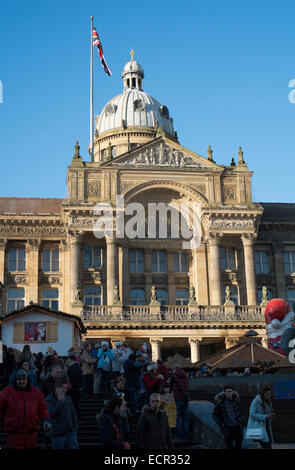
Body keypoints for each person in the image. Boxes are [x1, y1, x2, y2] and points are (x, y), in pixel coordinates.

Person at [0, 368, 51, 449]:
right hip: (13, 435)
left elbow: (43, 408)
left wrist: (46, 419)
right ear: (15, 379)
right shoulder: (7, 392)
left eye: (24, 379)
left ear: (27, 379)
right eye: (19, 379)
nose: (21, 381)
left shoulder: (36, 393)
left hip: (31, 434)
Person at [45, 379, 78, 449]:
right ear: (57, 388)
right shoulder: (49, 400)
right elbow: (52, 414)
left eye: (66, 388)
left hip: (70, 432)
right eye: (63, 388)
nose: (65, 390)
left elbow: (73, 414)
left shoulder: (68, 398)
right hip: (58, 434)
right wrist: (60, 401)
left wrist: (75, 427)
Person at [213, 385, 245, 449]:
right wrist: (221, 423)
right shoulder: (221, 402)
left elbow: (241, 412)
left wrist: (242, 421)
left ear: (232, 392)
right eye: (227, 392)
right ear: (224, 392)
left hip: (237, 426)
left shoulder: (236, 400)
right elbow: (215, 414)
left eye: (230, 391)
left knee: (239, 444)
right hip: (227, 427)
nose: (229, 393)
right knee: (229, 445)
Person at [247, 385, 275, 449]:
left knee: (268, 445)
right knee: (267, 446)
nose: (269, 395)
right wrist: (265, 416)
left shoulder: (268, 402)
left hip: (266, 427)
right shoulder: (256, 401)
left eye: (270, 394)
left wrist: (270, 416)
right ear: (263, 393)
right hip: (259, 428)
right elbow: (252, 414)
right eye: (267, 394)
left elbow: (267, 414)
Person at [171, 365, 189, 442]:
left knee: (177, 419)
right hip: (185, 399)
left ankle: (178, 437)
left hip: (177, 399)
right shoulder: (185, 376)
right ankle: (186, 436)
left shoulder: (174, 377)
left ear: (175, 369)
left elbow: (170, 386)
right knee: (185, 419)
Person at [66, 355, 83, 420]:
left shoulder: (71, 368)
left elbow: (72, 379)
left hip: (73, 389)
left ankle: (76, 417)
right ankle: (78, 416)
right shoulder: (78, 367)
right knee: (77, 404)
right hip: (78, 388)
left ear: (71, 360)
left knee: (74, 404)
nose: (67, 363)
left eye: (68, 361)